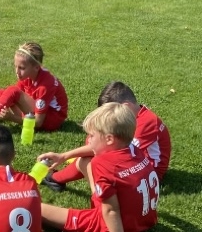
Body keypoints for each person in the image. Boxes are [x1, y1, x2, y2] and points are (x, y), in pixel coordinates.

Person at [41, 103, 159, 232]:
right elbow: (93, 150)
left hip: (115, 225)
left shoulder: (102, 164)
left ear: (109, 139)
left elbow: (111, 210)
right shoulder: (132, 148)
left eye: (92, 135)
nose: (88, 139)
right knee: (84, 161)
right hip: (144, 219)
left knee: (36, 209)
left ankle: (27, 200)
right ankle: (56, 179)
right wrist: (64, 156)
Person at [41, 81, 171, 192]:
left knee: (89, 161)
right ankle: (56, 179)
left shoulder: (146, 123)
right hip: (137, 167)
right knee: (94, 151)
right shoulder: (134, 117)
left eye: (110, 114)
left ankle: (100, 198)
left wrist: (66, 155)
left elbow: (114, 151)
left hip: (146, 175)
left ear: (125, 107)